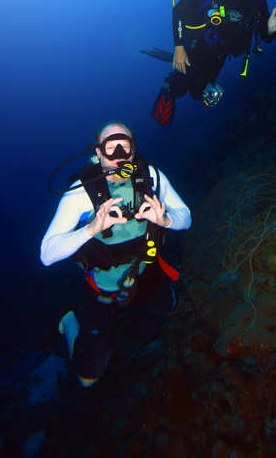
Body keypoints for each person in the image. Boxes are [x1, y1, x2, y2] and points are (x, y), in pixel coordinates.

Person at [40, 121, 191, 387]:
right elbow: (47, 254)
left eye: (125, 146)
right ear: (98, 153)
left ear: (134, 150)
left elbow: (186, 217)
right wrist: (90, 229)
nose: (119, 156)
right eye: (111, 147)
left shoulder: (151, 176)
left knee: (169, 308)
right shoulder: (80, 191)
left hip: (143, 271)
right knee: (87, 377)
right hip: (102, 287)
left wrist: (165, 219)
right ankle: (68, 320)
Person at [151, 0, 276, 126]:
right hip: (196, 46)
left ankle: (183, 78)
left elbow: (266, 37)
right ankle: (169, 84)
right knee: (179, 87)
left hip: (221, 52)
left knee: (198, 94)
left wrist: (271, 29)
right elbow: (179, 11)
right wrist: (179, 48)